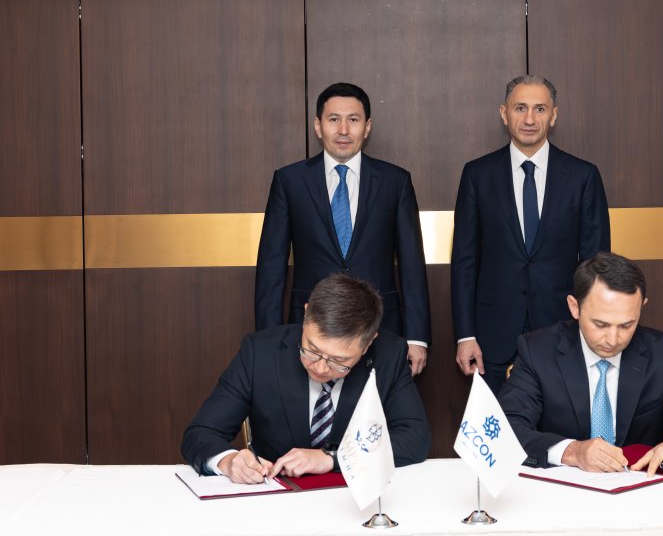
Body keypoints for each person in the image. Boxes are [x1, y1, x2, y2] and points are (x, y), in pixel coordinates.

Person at [498, 252, 663, 477]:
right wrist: (573, 452)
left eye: (626, 325)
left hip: (641, 490)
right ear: (574, 307)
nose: (613, 340)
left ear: (641, 307)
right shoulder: (537, 351)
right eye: (600, 324)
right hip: (561, 492)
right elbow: (505, 429)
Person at [182, 274, 431, 483]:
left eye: (339, 361)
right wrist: (227, 461)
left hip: (353, 499)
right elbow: (201, 432)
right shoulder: (259, 352)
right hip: (274, 498)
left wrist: (332, 458)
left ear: (368, 345)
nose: (320, 368)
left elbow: (415, 438)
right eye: (311, 349)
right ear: (305, 315)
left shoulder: (389, 355)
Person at [255, 83, 431, 375]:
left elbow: (412, 265)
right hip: (310, 334)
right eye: (334, 119)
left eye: (353, 119)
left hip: (380, 330)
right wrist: (268, 340)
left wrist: (416, 338)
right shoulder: (289, 181)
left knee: (376, 404)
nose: (344, 130)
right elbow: (271, 269)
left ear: (367, 126)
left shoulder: (395, 181)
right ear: (318, 125)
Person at [451, 75, 610, 394]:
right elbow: (464, 262)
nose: (529, 119)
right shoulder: (478, 174)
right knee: (498, 425)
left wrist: (593, 332)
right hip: (492, 336)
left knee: (559, 424)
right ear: (504, 113)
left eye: (540, 109)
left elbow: (596, 265)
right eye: (520, 108)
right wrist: (465, 336)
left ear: (553, 115)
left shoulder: (582, 176)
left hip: (563, 330)